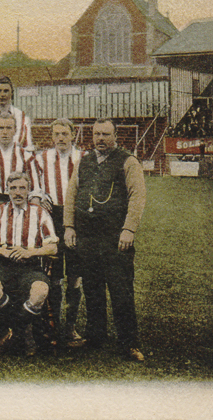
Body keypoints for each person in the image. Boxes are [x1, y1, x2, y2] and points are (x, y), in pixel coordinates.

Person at [64, 118, 147, 362]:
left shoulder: (128, 161)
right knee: (93, 289)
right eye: (97, 134)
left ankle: (129, 343)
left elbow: (137, 197)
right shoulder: (84, 161)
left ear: (115, 136)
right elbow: (71, 195)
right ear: (91, 136)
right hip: (88, 238)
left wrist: (129, 229)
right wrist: (69, 226)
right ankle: (95, 335)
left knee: (121, 291)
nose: (101, 138)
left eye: (106, 134)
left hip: (115, 238)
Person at [0, 172, 57, 357]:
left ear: (29, 190)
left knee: (41, 292)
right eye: (13, 188)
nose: (18, 192)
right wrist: (4, 251)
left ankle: (10, 334)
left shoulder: (40, 213)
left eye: (22, 188)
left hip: (31, 266)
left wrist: (30, 252)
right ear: (7, 190)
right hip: (3, 265)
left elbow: (52, 247)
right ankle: (25, 332)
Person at [34, 118, 85, 347]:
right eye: (56, 134)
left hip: (76, 219)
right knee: (53, 275)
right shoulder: (41, 158)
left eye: (65, 133)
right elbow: (35, 189)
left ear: (73, 135)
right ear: (51, 136)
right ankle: (50, 325)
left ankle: (70, 327)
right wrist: (40, 199)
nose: (61, 138)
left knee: (75, 275)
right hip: (52, 217)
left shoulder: (84, 159)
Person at [0, 112, 41, 227]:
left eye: (8, 128)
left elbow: (35, 192)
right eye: (1, 128)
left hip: (20, 206)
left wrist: (31, 222)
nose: (5, 132)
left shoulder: (27, 157)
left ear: (15, 130)